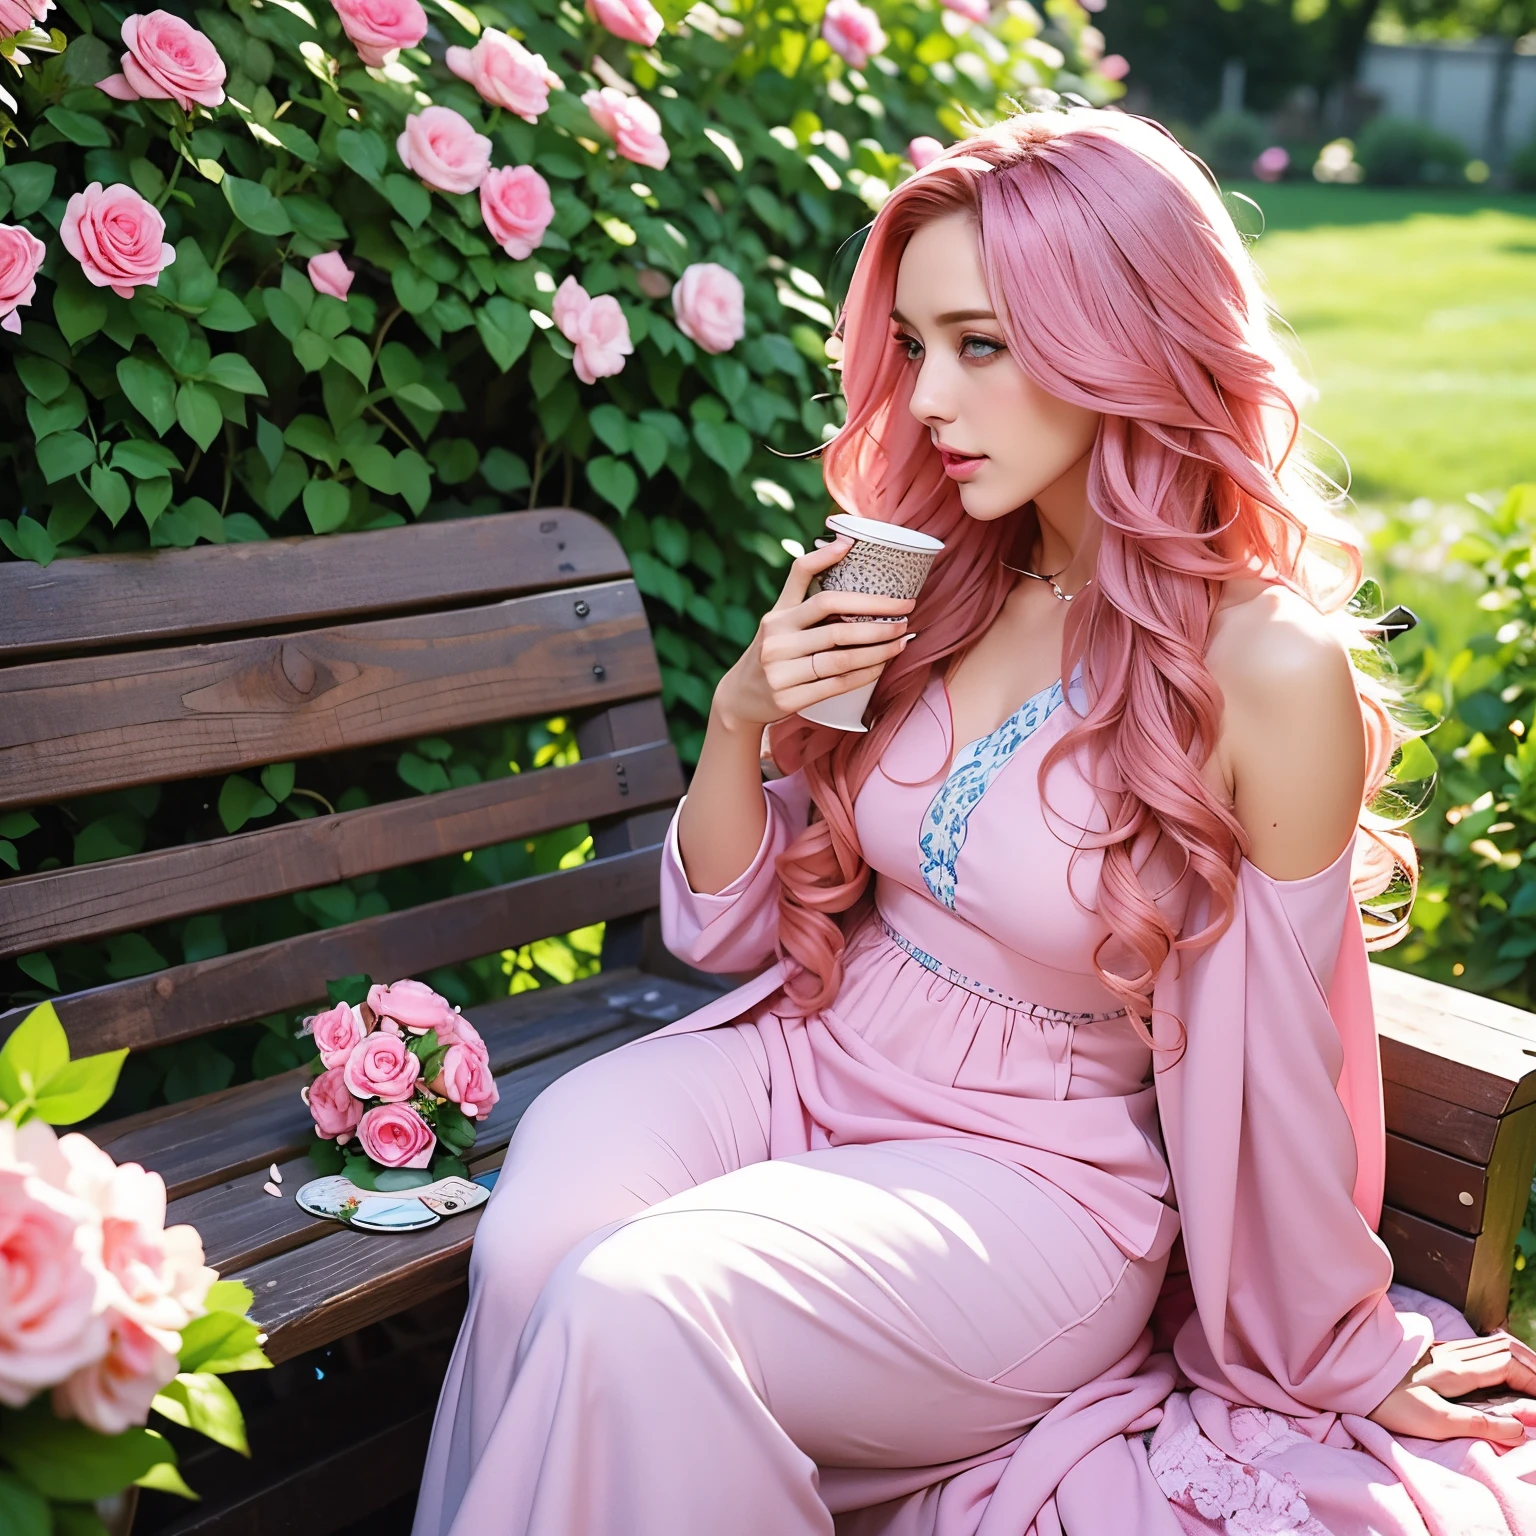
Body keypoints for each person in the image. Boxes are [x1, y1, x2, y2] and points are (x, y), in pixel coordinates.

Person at [412, 107, 1536, 1536]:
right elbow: (727, 928)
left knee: (643, 1303)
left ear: (1119, 334)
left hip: (1038, 1184)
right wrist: (744, 717)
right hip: (809, 1062)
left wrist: (1342, 1347)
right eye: (918, 346)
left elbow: (1272, 1066)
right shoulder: (939, 584)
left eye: (980, 345)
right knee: (532, 1253)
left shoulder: (1265, 668)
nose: (928, 399)